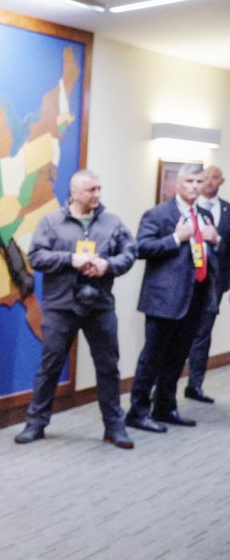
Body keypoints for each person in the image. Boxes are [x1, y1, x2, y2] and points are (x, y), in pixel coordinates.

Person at [13, 170, 137, 448]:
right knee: (50, 367)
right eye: (91, 190)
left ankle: (114, 427)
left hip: (100, 306)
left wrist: (109, 265)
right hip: (61, 307)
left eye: (99, 189)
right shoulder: (51, 222)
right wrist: (72, 259)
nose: (97, 194)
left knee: (108, 368)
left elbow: (130, 253)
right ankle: (35, 424)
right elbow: (36, 257)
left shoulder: (112, 222)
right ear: (74, 193)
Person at [127, 163, 219, 433]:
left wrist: (216, 240)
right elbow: (141, 248)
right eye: (189, 181)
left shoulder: (203, 216)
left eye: (198, 181)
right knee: (152, 358)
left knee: (177, 358)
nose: (194, 186)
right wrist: (176, 238)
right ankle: (137, 412)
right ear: (177, 184)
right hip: (164, 299)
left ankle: (165, 408)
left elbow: (208, 252)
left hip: (195, 297)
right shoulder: (158, 214)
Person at [185, 165, 229, 402]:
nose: (209, 182)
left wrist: (218, 239)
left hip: (214, 285)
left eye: (214, 177)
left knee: (203, 334)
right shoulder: (188, 209)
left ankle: (195, 385)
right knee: (176, 334)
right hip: (186, 284)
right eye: (205, 178)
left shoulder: (227, 210)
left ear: (221, 181)